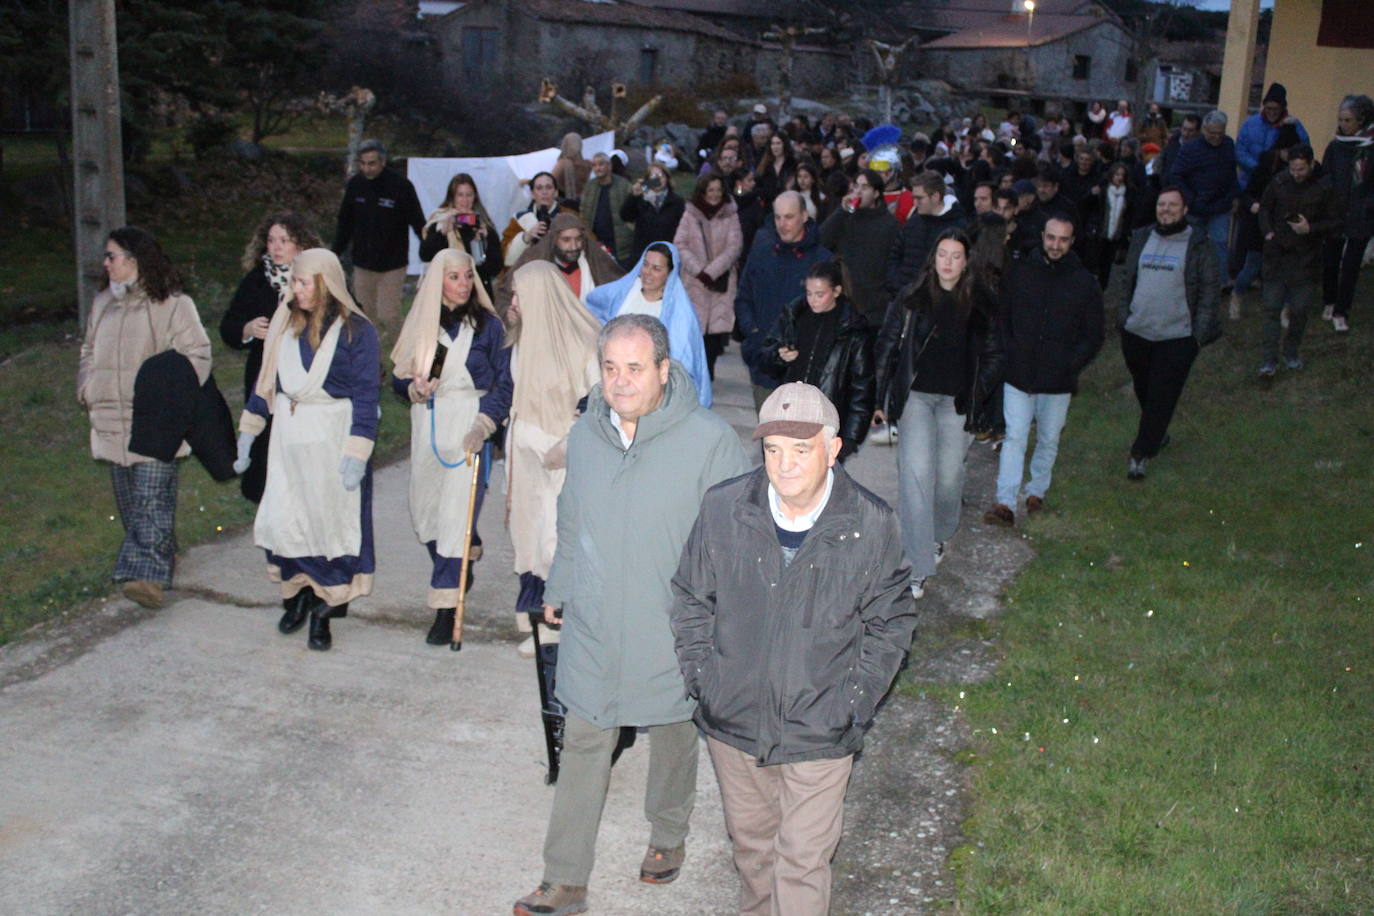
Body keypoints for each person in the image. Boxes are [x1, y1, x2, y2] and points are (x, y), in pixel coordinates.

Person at [514, 314, 749, 916]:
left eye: (635, 369)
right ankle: (565, 878)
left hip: (672, 624)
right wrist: (560, 585)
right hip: (596, 619)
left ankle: (668, 834)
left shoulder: (709, 441)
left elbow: (737, 540)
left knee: (673, 728)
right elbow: (573, 517)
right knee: (584, 735)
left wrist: (723, 621)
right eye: (611, 368)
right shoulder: (588, 435)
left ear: (664, 371)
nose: (619, 382)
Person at [669, 382, 916, 916]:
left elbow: (892, 620)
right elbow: (691, 596)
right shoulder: (724, 508)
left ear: (833, 449)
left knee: (801, 863)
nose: (784, 465)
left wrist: (853, 701)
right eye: (773, 449)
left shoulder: (871, 524)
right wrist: (706, 680)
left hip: (820, 730)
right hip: (735, 724)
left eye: (801, 450)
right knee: (754, 855)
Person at [233, 249, 380, 651]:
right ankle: (296, 595)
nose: (294, 289)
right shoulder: (285, 322)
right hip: (289, 437)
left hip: (332, 437)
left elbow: (367, 395)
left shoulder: (356, 331)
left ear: (325, 284)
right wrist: (250, 429)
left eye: (302, 282)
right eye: (293, 281)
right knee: (289, 519)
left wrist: (357, 451)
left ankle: (324, 610)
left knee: (329, 524)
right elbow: (267, 381)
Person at [79, 226, 211, 609]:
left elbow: (198, 356)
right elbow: (88, 351)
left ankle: (146, 578)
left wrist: (170, 399)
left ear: (134, 260)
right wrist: (87, 387)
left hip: (155, 421)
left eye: (112, 256)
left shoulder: (173, 305)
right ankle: (163, 555)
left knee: (150, 498)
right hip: (110, 420)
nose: (105, 264)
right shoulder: (102, 304)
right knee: (132, 505)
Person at [390, 249, 512, 645]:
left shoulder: (489, 327)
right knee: (425, 513)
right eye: (454, 277)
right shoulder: (423, 324)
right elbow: (398, 376)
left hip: (470, 423)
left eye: (468, 276)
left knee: (455, 517)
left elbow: (505, 383)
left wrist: (485, 423)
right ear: (436, 282)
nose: (463, 284)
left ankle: (446, 608)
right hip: (428, 420)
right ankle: (465, 552)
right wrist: (412, 388)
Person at [874, 229, 1003, 598]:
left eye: (955, 256)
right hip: (916, 398)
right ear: (933, 258)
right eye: (942, 254)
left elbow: (995, 354)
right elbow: (886, 346)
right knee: (915, 477)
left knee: (948, 479)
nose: (948, 262)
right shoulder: (912, 298)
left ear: (966, 262)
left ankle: (938, 534)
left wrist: (977, 391)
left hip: (956, 403)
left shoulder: (981, 303)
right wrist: (879, 398)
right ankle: (916, 565)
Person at [503, 259, 602, 653]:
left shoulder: (583, 343)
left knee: (554, 539)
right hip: (524, 456)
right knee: (527, 534)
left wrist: (568, 445)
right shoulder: (522, 338)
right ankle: (533, 615)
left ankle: (556, 626)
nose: (513, 302)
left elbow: (599, 403)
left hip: (562, 460)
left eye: (518, 294)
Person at [983, 215, 1103, 527]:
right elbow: (1002, 318)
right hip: (1019, 374)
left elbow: (1093, 334)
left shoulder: (1084, 282)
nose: (1055, 245)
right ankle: (1005, 502)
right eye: (1051, 238)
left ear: (1072, 241)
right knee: (1015, 437)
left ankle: (1036, 492)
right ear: (1042, 237)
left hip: (1059, 379)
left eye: (1063, 239)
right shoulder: (1020, 273)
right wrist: (1010, 352)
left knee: (1049, 437)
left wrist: (1070, 364)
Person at [1115, 186, 1221, 481]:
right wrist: (1124, 319)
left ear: (1185, 209)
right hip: (1137, 332)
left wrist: (1197, 337)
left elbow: (1210, 292)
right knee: (1145, 390)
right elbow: (1127, 280)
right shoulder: (1142, 237)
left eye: (1173, 205)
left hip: (1177, 337)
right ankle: (1158, 433)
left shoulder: (1199, 243)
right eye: (1162, 204)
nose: (1166, 210)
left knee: (1162, 395)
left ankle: (1140, 452)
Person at [220, 212, 320, 503]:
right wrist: (247, 330)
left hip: (308, 377)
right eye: (271, 240)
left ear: (301, 244)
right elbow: (228, 326)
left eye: (284, 241)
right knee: (265, 442)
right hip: (264, 376)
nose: (276, 247)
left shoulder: (318, 278)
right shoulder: (256, 280)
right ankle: (267, 502)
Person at [759, 260, 875, 461]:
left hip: (825, 422)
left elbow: (862, 386)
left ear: (837, 291)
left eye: (820, 294)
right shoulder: (794, 316)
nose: (813, 300)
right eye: (809, 293)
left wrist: (850, 438)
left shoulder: (852, 330)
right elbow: (765, 358)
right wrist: (779, 356)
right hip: (788, 414)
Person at [736, 191, 832, 409]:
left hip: (805, 371)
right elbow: (743, 298)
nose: (782, 224)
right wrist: (754, 333)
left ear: (804, 216)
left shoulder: (822, 260)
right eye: (777, 217)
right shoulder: (761, 253)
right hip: (764, 365)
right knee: (769, 428)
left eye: (789, 217)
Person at [586, 242, 712, 406]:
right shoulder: (624, 291)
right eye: (645, 265)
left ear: (670, 273)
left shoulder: (679, 312)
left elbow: (683, 357)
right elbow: (592, 308)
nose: (647, 272)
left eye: (656, 269)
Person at [1256, 145, 1339, 377]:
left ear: (1311, 164)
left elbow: (1335, 221)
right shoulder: (1279, 182)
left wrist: (1310, 228)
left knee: (1300, 310)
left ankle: (1291, 352)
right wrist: (1268, 232)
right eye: (1292, 169)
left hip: (1306, 260)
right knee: (1271, 309)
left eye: (1301, 169)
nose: (1296, 174)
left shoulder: (1324, 187)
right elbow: (1265, 208)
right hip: (1277, 256)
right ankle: (1268, 360)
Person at [331, 139, 424, 341]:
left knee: (388, 315)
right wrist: (334, 253)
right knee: (364, 316)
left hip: (393, 264)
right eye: (363, 163)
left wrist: (429, 250)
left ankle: (406, 348)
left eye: (372, 163)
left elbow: (418, 222)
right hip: (363, 263)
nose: (367, 168)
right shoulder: (355, 185)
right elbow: (345, 223)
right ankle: (372, 354)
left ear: (382, 161)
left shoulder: (401, 186)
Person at [674, 172, 744, 381]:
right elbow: (680, 244)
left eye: (718, 190)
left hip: (720, 283)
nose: (714, 194)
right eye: (710, 190)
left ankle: (708, 373)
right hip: (694, 282)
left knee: (715, 333)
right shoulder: (690, 214)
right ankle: (696, 373)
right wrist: (699, 271)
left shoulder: (731, 214)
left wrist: (712, 271)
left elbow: (735, 246)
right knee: (694, 330)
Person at [498, 212, 625, 314]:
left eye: (578, 239)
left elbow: (621, 289)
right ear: (554, 239)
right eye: (566, 240)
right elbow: (505, 295)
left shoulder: (594, 259)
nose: (574, 246)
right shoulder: (533, 259)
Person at [819, 169, 899, 327]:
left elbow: (895, 262)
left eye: (865, 187)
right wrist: (841, 211)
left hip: (875, 305)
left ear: (876, 193)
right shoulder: (845, 217)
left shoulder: (890, 224)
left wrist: (887, 295)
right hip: (844, 301)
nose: (858, 192)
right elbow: (822, 240)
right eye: (856, 186)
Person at [1321, 94, 1374, 333]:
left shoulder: (1371, 147)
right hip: (1336, 213)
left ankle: (1342, 310)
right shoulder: (1335, 146)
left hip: (1362, 215)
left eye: (1348, 120)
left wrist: (1367, 204)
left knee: (1351, 265)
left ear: (1361, 120)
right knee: (1331, 260)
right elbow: (1326, 176)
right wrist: (1330, 201)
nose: (1342, 124)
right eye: (1340, 119)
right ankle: (1329, 301)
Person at [1169, 110, 1240, 280]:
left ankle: (1219, 282)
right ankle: (1186, 278)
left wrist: (1232, 196)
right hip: (1196, 206)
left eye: (1220, 133)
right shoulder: (1190, 149)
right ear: (1204, 130)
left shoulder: (1228, 145)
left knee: (1219, 243)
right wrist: (1190, 199)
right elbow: (1176, 175)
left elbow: (1232, 173)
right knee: (1191, 244)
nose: (1216, 137)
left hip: (1220, 205)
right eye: (1212, 133)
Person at [886, 170, 967, 298]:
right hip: (904, 297)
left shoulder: (958, 226)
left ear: (935, 196)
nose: (915, 203)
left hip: (937, 300)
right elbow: (895, 255)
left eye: (919, 198)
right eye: (914, 198)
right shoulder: (913, 222)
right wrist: (897, 285)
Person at [418, 172, 501, 295]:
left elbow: (495, 267)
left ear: (475, 197)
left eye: (469, 195)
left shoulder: (484, 224)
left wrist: (485, 241)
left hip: (477, 292)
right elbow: (425, 255)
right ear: (452, 197)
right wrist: (442, 233)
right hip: (446, 292)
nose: (465, 200)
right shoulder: (440, 221)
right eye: (460, 195)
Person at [1237, 83, 1311, 191]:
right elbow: (1240, 152)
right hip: (1250, 183)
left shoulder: (1294, 126)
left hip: (1281, 186)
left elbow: (1305, 152)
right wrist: (1259, 169)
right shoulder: (1249, 124)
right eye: (1269, 108)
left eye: (1276, 109)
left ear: (1282, 108)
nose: (1272, 112)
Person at [620, 163, 686, 265]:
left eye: (661, 176)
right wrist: (633, 196)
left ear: (667, 179)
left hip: (667, 256)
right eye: (653, 177)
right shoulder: (640, 199)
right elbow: (625, 216)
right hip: (642, 255)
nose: (658, 180)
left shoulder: (677, 202)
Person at [502, 172, 566, 268]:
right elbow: (506, 258)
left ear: (556, 192)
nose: (544, 192)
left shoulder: (568, 216)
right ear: (532, 194)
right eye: (539, 188)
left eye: (548, 187)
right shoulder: (519, 218)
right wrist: (525, 238)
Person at [580, 152, 634, 265]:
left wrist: (630, 228)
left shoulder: (624, 185)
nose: (597, 168)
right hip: (596, 242)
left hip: (621, 244)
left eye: (601, 164)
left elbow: (633, 210)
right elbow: (583, 212)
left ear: (609, 166)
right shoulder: (589, 186)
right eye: (594, 165)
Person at [755, 132, 797, 205]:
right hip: (768, 205)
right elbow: (758, 185)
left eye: (778, 143)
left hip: (789, 203)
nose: (775, 147)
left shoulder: (793, 163)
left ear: (785, 144)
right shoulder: (764, 165)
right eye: (773, 144)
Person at [553, 133, 591, 211]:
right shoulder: (588, 164)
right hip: (582, 204)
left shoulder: (563, 164)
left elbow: (550, 180)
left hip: (565, 205)